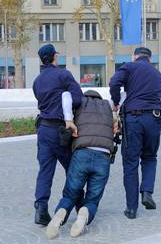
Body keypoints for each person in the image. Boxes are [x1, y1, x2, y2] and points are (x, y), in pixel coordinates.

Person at [46, 90, 120, 238]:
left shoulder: (80, 103)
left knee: (69, 195)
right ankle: (85, 213)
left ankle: (60, 213)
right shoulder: (107, 105)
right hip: (103, 155)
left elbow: (66, 95)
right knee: (92, 199)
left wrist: (68, 119)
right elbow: (123, 96)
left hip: (82, 153)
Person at [109, 47, 161, 219]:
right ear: (150, 58)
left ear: (135, 57)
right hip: (155, 118)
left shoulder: (129, 66)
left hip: (133, 119)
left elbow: (114, 83)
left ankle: (131, 208)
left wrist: (116, 102)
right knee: (150, 156)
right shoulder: (158, 75)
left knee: (131, 162)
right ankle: (147, 192)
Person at [32, 43, 83, 226]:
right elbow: (77, 98)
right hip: (61, 131)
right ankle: (79, 205)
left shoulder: (37, 81)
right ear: (54, 57)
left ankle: (41, 209)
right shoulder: (64, 75)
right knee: (72, 169)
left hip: (43, 130)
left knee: (45, 171)